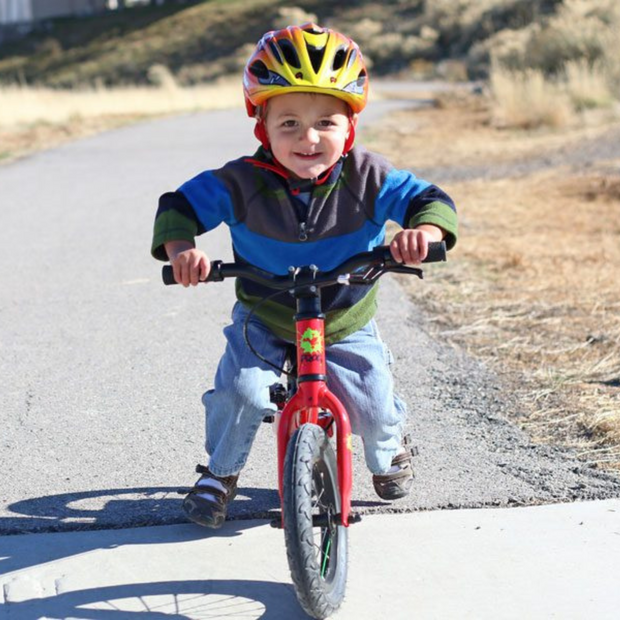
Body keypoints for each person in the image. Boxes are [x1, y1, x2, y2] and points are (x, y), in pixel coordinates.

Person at [151, 23, 457, 528]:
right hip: (265, 314)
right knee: (244, 392)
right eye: (288, 123)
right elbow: (179, 205)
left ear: (350, 126)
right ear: (262, 126)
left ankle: (389, 450)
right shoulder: (241, 181)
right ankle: (219, 473)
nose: (308, 138)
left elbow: (429, 200)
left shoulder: (367, 176)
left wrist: (422, 232)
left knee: (373, 403)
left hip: (343, 315)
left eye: (326, 123)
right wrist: (183, 250)